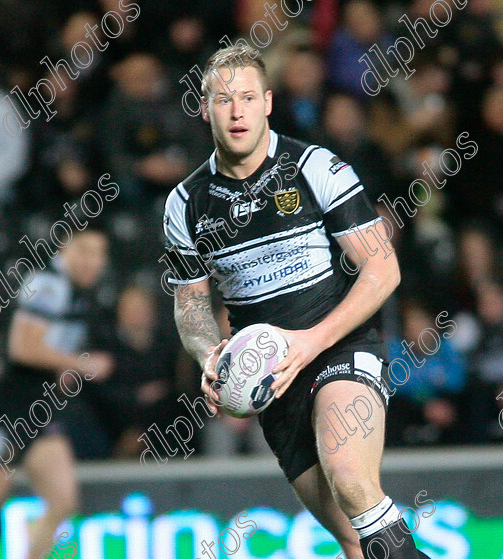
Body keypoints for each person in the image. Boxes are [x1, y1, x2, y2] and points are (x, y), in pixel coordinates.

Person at [162, 45, 430, 559]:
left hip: (338, 347)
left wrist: (309, 344)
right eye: (223, 99)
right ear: (203, 108)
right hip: (268, 382)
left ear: (266, 102)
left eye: (246, 98)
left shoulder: (315, 167)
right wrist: (208, 355)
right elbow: (191, 302)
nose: (236, 112)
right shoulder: (185, 204)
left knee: (350, 477)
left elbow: (383, 268)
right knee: (355, 540)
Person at [0, 227, 114, 558]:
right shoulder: (49, 284)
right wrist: (82, 363)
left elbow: (47, 348)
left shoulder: (76, 290)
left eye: (99, 254)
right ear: (64, 249)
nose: (93, 262)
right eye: (85, 251)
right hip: (7, 408)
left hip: (38, 411)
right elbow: (22, 348)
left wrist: (64, 369)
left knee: (62, 501)